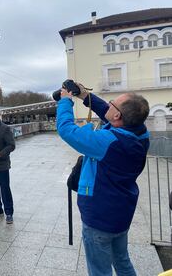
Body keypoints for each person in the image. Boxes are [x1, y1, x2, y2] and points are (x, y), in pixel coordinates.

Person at [57, 86, 150, 276]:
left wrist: (65, 101)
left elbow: (67, 130)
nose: (108, 104)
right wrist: (85, 95)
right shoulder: (141, 134)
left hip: (99, 217)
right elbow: (110, 114)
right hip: (121, 213)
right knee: (122, 262)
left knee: (100, 270)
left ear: (117, 116)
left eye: (112, 104)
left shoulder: (107, 142)